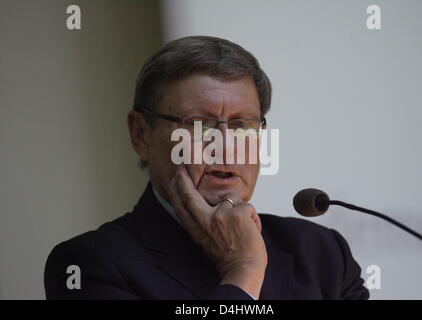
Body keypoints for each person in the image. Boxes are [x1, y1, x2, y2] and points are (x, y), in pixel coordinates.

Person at [44, 36, 369, 300]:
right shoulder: (90, 265)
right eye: (199, 124)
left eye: (242, 125)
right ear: (141, 135)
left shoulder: (322, 254)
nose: (225, 145)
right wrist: (244, 270)